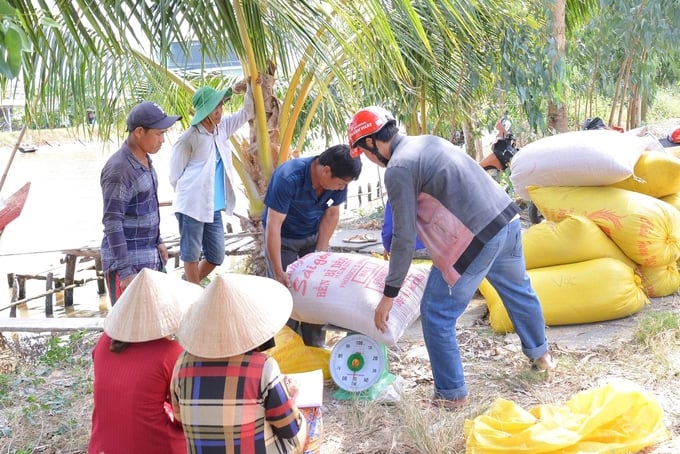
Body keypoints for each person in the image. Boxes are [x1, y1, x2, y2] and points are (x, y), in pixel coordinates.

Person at [347, 106, 556, 409]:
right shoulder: (427, 141)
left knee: (436, 313)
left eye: (364, 153)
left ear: (371, 144)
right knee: (518, 290)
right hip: (506, 220)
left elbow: (404, 237)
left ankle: (451, 395)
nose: (368, 160)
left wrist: (389, 294)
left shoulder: (399, 168)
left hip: (477, 239)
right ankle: (542, 357)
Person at [171, 273, 318, 453]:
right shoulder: (263, 367)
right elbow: (289, 428)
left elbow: (179, 419)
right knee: (308, 419)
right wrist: (292, 396)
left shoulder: (182, 364)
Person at [89, 268, 203, 453]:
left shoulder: (104, 341)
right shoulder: (170, 353)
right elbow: (186, 410)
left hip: (103, 446)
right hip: (152, 446)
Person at [262, 144, 362, 347]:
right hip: (284, 238)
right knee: (284, 294)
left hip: (313, 235)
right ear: (326, 170)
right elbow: (274, 226)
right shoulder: (288, 178)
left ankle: (314, 348)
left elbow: (331, 214)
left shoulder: (337, 183)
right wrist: (277, 269)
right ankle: (285, 349)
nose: (343, 188)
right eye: (341, 184)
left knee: (318, 292)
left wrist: (320, 254)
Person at [169, 79, 255, 285]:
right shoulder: (189, 138)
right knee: (191, 253)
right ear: (204, 112)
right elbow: (174, 176)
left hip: (213, 206)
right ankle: (193, 292)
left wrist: (251, 88)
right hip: (192, 205)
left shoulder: (221, 128)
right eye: (214, 108)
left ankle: (188, 284)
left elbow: (246, 113)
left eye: (220, 106)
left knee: (216, 255)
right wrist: (191, 195)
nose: (219, 112)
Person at [100, 101, 181, 305]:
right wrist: (126, 273)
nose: (163, 140)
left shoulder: (144, 159)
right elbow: (112, 222)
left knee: (157, 325)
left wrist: (158, 240)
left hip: (149, 257)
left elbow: (146, 207)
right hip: (129, 266)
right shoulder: (119, 170)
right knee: (130, 333)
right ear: (139, 132)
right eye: (159, 133)